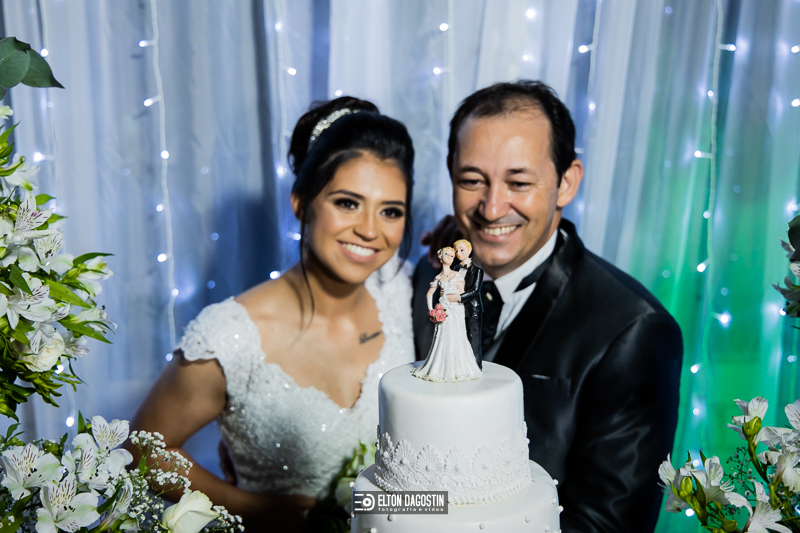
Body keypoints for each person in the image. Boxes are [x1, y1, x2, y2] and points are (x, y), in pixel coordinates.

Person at [130, 96, 416, 531]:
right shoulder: (231, 336)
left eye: (390, 211)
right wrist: (254, 508)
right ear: (300, 201)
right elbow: (142, 450)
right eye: (347, 203)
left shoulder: (406, 289)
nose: (369, 230)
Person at [412, 80, 683, 532]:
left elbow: (604, 526)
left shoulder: (634, 329)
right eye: (472, 180)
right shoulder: (429, 275)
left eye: (518, 183)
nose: (491, 208)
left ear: (566, 182)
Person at [412, 246, 481, 382]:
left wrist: (451, 294)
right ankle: (441, 368)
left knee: (457, 335)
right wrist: (432, 310)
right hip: (443, 307)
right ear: (441, 256)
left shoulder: (457, 275)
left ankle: (457, 368)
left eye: (451, 255)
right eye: (446, 254)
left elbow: (462, 292)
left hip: (455, 308)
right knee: (442, 336)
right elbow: (429, 294)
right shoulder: (438, 277)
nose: (449, 257)